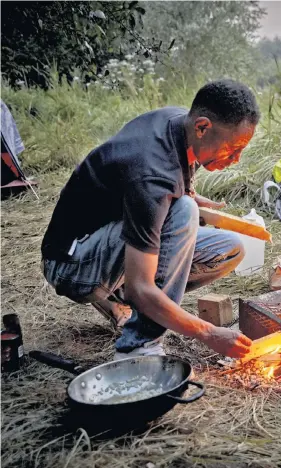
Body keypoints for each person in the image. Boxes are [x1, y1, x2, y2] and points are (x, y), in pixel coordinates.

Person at [41, 79, 257, 361]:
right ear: (202, 127)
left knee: (229, 248)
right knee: (183, 212)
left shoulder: (179, 123)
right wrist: (208, 333)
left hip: (108, 240)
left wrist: (189, 191)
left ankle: (121, 298)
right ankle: (138, 346)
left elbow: (169, 175)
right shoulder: (152, 174)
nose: (236, 159)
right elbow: (141, 288)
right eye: (233, 148)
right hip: (72, 265)